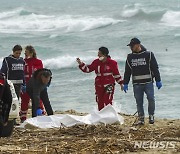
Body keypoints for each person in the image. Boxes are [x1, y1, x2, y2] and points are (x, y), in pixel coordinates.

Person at [123, 38, 162, 125]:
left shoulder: (149, 54)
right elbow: (127, 71)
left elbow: (155, 68)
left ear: (138, 45)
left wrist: (158, 80)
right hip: (137, 84)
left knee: (151, 99)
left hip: (148, 82)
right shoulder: (130, 57)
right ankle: (141, 118)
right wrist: (125, 83)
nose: (131, 48)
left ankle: (151, 116)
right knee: (139, 102)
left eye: (132, 46)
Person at [76, 47, 123, 111]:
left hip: (109, 84)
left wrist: (121, 83)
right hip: (99, 85)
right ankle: (101, 115)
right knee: (99, 101)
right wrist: (81, 64)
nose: (98, 55)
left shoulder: (112, 63)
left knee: (107, 100)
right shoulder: (96, 62)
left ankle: (109, 115)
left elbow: (116, 74)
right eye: (98, 53)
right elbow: (88, 69)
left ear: (104, 54)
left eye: (99, 53)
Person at [19, 45, 46, 122]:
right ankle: (23, 119)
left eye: (26, 52)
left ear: (31, 53)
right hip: (25, 85)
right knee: (24, 101)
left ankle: (41, 117)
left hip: (36, 85)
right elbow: (20, 73)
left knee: (39, 101)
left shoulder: (38, 62)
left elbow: (41, 74)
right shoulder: (23, 62)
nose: (25, 54)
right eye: (24, 53)